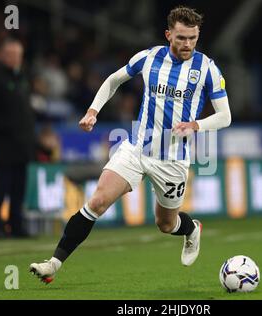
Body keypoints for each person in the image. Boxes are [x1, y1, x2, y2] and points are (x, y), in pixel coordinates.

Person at [30, 6, 231, 283]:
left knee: (165, 224)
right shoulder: (148, 58)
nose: (187, 44)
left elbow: (225, 116)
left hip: (173, 159)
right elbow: (114, 80)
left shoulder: (207, 68)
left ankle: (191, 229)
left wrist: (195, 125)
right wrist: (93, 110)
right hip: (137, 149)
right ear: (168, 34)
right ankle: (53, 263)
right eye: (182, 38)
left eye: (193, 38)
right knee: (98, 201)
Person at [0, 39, 36, 238]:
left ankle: (16, 225)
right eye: (12, 55)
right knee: (1, 186)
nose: (16, 59)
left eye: (18, 55)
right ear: (3, 56)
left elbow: (26, 112)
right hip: (4, 144)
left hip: (22, 145)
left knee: (18, 188)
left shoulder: (21, 78)